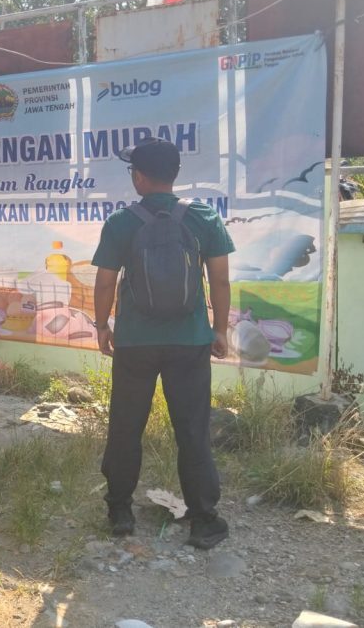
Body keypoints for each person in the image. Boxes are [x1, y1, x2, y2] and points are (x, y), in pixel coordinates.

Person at [91, 137, 234, 550]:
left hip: (135, 343)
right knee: (192, 428)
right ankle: (203, 520)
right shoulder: (203, 216)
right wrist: (219, 330)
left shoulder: (121, 222)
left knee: (126, 425)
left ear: (138, 177)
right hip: (189, 342)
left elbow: (104, 282)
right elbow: (220, 280)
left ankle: (120, 511)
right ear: (175, 174)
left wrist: (102, 326)